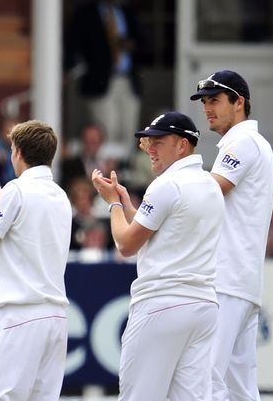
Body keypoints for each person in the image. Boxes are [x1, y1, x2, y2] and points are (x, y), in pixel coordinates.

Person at [91, 112, 224, 400]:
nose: (150, 148)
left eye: (159, 142)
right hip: (203, 307)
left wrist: (113, 204)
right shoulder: (210, 184)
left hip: (162, 305)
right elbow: (161, 231)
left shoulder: (167, 185)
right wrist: (127, 203)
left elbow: (127, 245)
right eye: (148, 142)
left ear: (182, 145)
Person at [0, 120, 71, 400]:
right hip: (55, 317)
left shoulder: (16, 190)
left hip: (19, 315)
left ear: (19, 153)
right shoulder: (61, 196)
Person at [190, 70, 273, 401]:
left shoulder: (243, 142)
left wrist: (171, 178)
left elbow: (208, 195)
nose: (207, 109)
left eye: (214, 101)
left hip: (226, 279)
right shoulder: (254, 144)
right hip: (241, 280)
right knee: (240, 388)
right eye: (204, 102)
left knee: (206, 377)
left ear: (239, 103)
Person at [65, 0, 142, 156]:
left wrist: (131, 43)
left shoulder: (125, 10)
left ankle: (124, 174)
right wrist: (66, 69)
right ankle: (105, 174)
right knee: (107, 129)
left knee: (129, 128)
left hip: (127, 78)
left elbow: (142, 40)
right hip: (99, 79)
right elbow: (72, 44)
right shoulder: (85, 13)